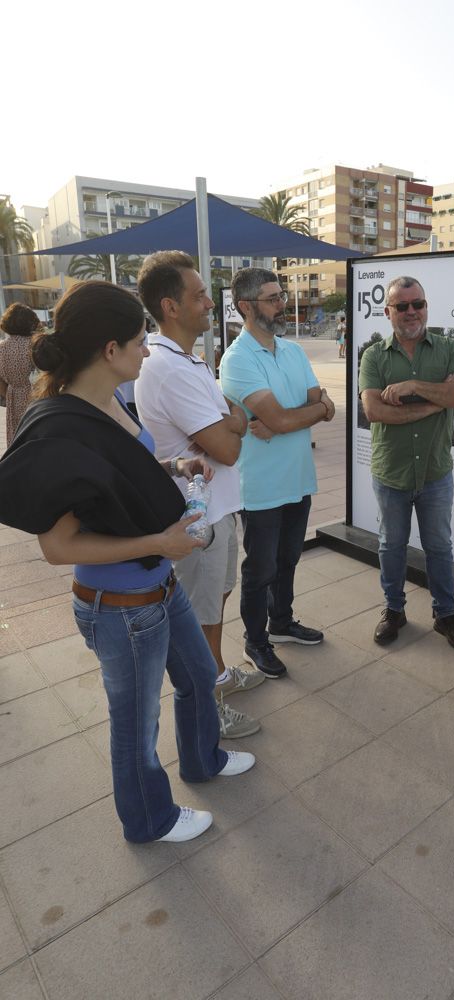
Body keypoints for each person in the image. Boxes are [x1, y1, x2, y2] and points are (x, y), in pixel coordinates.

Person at [0, 281, 255, 844]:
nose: (148, 351)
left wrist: (176, 467)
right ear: (109, 350)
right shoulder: (58, 428)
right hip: (119, 606)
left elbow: (117, 479)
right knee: (135, 726)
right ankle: (149, 820)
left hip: (157, 585)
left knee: (194, 678)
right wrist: (158, 544)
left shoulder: (108, 398)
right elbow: (57, 547)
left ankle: (203, 759)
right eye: (140, 341)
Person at [136, 251, 263, 740]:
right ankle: (207, 707)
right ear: (170, 306)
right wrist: (235, 425)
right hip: (198, 517)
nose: (212, 302)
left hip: (219, 509)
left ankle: (218, 673)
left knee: (214, 606)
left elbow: (232, 419)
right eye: (200, 295)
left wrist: (233, 423)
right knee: (199, 617)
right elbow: (229, 447)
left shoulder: (187, 360)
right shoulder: (167, 368)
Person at [220, 268, 334, 677]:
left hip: (297, 477)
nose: (282, 304)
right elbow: (297, 414)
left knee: (289, 558)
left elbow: (319, 405)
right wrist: (306, 414)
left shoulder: (293, 351)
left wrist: (300, 415)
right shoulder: (236, 360)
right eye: (272, 299)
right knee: (259, 569)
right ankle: (256, 640)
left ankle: (281, 622)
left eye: (281, 295)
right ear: (246, 307)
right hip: (262, 486)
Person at [359, 275, 454, 650]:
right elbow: (374, 411)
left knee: (439, 546)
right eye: (402, 306)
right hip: (391, 471)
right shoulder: (374, 356)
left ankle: (445, 614)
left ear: (426, 306)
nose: (411, 312)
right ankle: (394, 610)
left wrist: (412, 388)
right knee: (391, 546)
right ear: (388, 311)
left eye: (418, 304)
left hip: (435, 471)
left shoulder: (449, 348)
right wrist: (435, 401)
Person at [0, 302, 40, 441]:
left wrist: (11, 392)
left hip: (12, 395)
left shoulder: (1, 348)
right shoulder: (35, 344)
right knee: (36, 433)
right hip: (36, 395)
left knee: (17, 437)